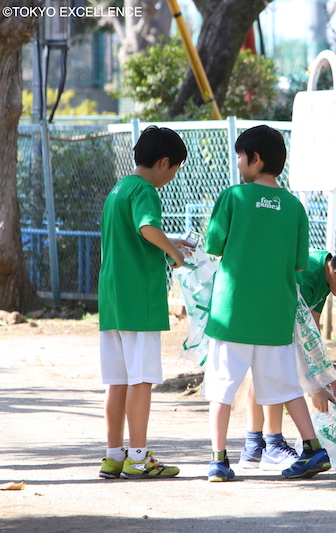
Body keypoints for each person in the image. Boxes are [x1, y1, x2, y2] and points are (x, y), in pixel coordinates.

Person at [202, 125, 330, 481]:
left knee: (222, 389)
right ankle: (313, 449)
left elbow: (213, 245)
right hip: (276, 314)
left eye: (240, 156)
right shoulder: (295, 207)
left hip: (233, 314)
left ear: (255, 159)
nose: (238, 163)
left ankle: (219, 460)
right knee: (287, 386)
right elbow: (299, 264)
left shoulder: (233, 197)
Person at [97, 125, 191, 479]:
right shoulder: (146, 190)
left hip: (113, 300)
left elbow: (134, 236)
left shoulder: (119, 189)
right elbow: (147, 228)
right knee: (141, 380)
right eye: (175, 169)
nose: (173, 176)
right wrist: (175, 254)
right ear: (164, 162)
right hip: (139, 300)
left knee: (117, 381)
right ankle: (138, 458)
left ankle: (113, 456)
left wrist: (170, 242)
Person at [238, 243, 336, 470]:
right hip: (264, 318)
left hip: (270, 320)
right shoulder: (307, 276)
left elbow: (310, 332)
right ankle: (272, 445)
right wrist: (314, 386)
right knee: (276, 374)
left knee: (264, 375)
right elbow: (296, 337)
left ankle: (253, 447)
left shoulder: (326, 277)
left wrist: (325, 376)